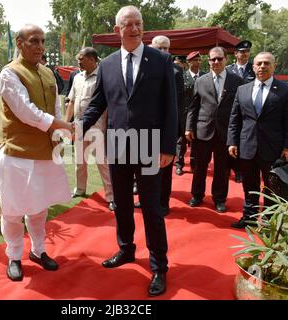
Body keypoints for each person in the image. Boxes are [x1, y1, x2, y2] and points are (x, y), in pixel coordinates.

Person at [82, 6, 177, 297]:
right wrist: (78, 127)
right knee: (122, 204)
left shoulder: (161, 60)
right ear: (117, 30)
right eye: (128, 24)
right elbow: (98, 103)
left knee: (151, 209)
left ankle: (159, 265)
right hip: (118, 145)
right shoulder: (108, 65)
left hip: (150, 146)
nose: (134, 28)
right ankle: (126, 249)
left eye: (139, 23)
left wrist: (168, 147)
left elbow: (170, 107)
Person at [0, 24, 73, 282]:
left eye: (42, 41)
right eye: (33, 41)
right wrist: (61, 126)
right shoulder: (9, 73)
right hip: (17, 155)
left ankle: (38, 251)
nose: (40, 46)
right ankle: (14, 256)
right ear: (19, 43)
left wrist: (60, 132)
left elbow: (56, 108)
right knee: (13, 211)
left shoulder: (48, 73)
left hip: (45, 153)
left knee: (39, 209)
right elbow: (26, 112)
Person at [227, 52, 288, 228]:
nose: (262, 66)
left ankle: (269, 222)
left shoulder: (286, 90)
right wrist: (232, 142)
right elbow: (235, 119)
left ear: (274, 66)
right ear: (253, 67)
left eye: (267, 63)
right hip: (247, 147)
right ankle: (249, 218)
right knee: (249, 186)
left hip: (274, 149)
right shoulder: (242, 90)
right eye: (259, 63)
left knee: (271, 188)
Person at [185, 47, 244, 213]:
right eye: (212, 59)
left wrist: (237, 133)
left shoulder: (236, 81)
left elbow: (240, 109)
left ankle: (219, 199)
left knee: (222, 168)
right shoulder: (201, 81)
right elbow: (193, 107)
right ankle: (197, 195)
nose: (215, 62)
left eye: (219, 59)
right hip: (203, 130)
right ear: (208, 61)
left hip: (225, 131)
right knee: (200, 167)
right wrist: (189, 127)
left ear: (226, 59)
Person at [65, 47, 115, 211]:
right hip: (78, 125)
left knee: (102, 162)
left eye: (81, 58)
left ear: (92, 59)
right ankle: (80, 189)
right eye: (78, 58)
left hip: (97, 126)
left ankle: (111, 196)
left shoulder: (103, 77)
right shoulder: (77, 77)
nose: (78, 62)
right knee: (80, 161)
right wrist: (66, 124)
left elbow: (107, 106)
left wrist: (107, 129)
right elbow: (71, 101)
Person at [149, 35, 184, 216]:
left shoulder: (176, 72)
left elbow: (175, 104)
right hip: (146, 128)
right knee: (147, 168)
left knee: (164, 167)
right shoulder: (143, 67)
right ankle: (147, 199)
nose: (162, 52)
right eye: (159, 48)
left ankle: (163, 203)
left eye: (165, 48)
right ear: (151, 47)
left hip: (165, 128)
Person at [226, 40, 255, 183]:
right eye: (242, 52)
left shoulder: (254, 69)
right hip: (231, 111)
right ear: (236, 54)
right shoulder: (228, 70)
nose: (245, 54)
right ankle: (230, 166)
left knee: (244, 140)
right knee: (232, 139)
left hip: (249, 112)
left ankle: (239, 170)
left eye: (247, 51)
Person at [175, 51, 206, 176]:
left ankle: (194, 164)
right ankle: (179, 164)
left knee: (196, 141)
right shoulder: (182, 76)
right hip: (184, 113)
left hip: (200, 113)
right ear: (188, 62)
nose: (197, 62)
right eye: (194, 60)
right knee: (181, 140)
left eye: (199, 60)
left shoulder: (205, 76)